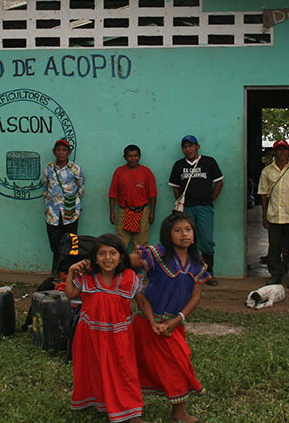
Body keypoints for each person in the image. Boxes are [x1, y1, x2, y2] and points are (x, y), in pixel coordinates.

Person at [131, 212, 210, 423]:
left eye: (188, 230)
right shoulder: (157, 254)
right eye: (178, 230)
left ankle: (179, 412)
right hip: (147, 321)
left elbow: (195, 296)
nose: (184, 234)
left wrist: (177, 320)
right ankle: (131, 412)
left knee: (178, 361)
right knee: (138, 366)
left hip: (173, 324)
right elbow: (125, 261)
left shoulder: (197, 264)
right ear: (168, 235)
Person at [65, 234, 146, 423]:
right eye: (102, 253)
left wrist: (152, 322)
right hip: (90, 334)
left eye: (113, 253)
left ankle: (131, 413)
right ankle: (101, 402)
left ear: (121, 257)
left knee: (124, 371)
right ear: (94, 258)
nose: (107, 258)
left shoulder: (128, 278)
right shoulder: (87, 277)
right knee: (94, 368)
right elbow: (70, 294)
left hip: (119, 336)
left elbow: (142, 302)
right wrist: (71, 271)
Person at [168, 135, 223, 285]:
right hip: (186, 209)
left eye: (191, 146)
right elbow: (175, 187)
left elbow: (219, 183)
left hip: (204, 207)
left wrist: (210, 200)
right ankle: (186, 273)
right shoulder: (179, 165)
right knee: (185, 241)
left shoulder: (208, 162)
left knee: (206, 240)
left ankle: (208, 273)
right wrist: (181, 203)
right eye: (185, 147)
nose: (188, 149)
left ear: (197, 147)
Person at [257, 139, 289, 288]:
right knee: (274, 248)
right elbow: (263, 194)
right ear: (274, 152)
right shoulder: (267, 171)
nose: (282, 152)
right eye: (279, 150)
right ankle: (275, 275)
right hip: (274, 216)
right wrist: (264, 216)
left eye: (285, 149)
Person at [43, 139, 85, 277]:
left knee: (71, 243)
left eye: (64, 150)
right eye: (58, 150)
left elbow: (81, 188)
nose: (61, 152)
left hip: (70, 213)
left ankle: (69, 272)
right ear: (54, 152)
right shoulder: (48, 168)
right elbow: (45, 188)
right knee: (55, 244)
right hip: (52, 214)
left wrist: (75, 204)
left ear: (69, 152)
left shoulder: (75, 169)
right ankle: (56, 273)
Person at [109, 144, 157, 251]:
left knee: (141, 243)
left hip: (142, 211)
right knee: (121, 242)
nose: (133, 159)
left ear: (139, 157)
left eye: (135, 156)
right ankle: (120, 266)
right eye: (130, 156)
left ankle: (138, 266)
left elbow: (152, 195)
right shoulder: (119, 172)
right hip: (124, 211)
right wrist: (112, 212)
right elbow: (112, 194)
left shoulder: (146, 172)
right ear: (125, 157)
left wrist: (152, 212)